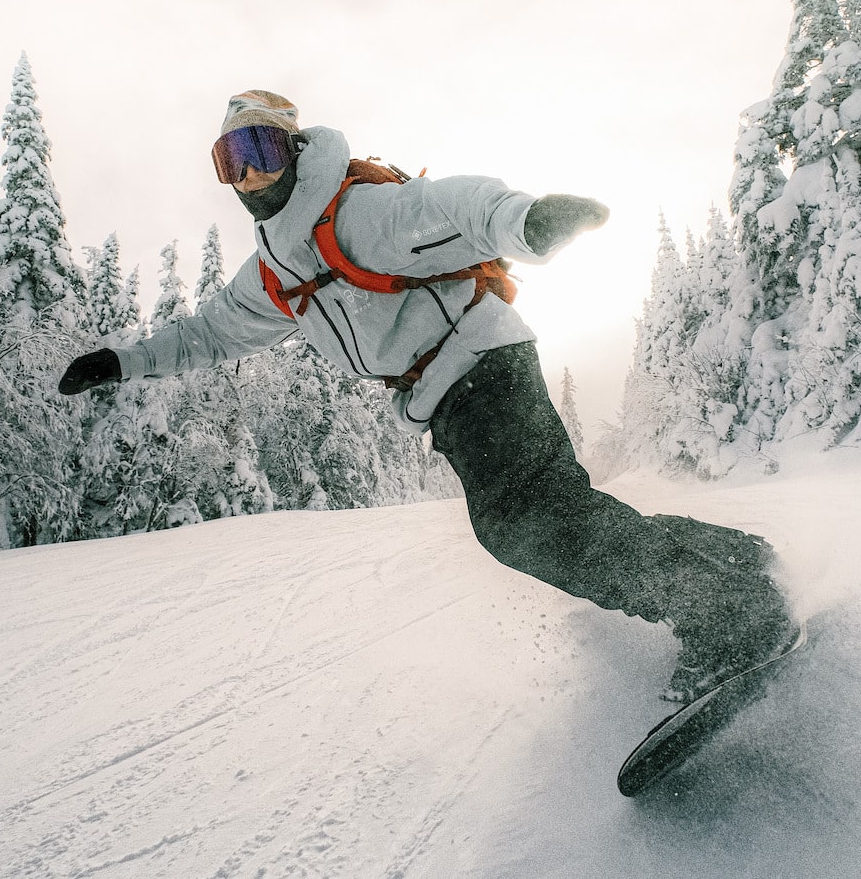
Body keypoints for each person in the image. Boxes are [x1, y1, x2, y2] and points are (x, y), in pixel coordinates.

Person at [59, 89, 798, 704]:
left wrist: (524, 221)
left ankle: (728, 616)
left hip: (479, 365)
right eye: (230, 161)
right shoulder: (274, 273)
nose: (249, 176)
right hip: (448, 395)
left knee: (525, 525)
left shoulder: (355, 213)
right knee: (551, 513)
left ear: (295, 149)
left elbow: (453, 208)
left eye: (260, 150)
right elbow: (209, 334)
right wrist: (121, 362)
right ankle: (730, 564)